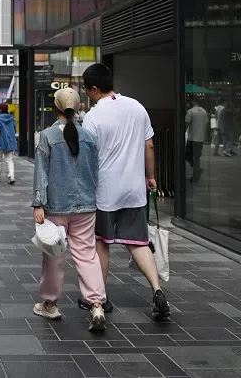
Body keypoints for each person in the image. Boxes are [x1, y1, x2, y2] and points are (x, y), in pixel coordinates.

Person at [81, 63, 171, 320]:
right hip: (134, 190)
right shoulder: (137, 107)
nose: (87, 95)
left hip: (105, 192)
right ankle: (157, 291)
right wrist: (150, 177)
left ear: (94, 88)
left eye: (87, 90)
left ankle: (100, 298)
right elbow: (150, 145)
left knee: (101, 242)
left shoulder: (93, 117)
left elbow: (88, 158)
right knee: (138, 243)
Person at [32, 88, 106, 332]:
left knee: (54, 256)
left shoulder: (47, 136)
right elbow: (95, 172)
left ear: (57, 108)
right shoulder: (89, 137)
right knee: (87, 255)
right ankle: (96, 304)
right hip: (86, 205)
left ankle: (50, 304)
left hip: (56, 205)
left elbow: (41, 172)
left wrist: (38, 203)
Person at [185, 98, 208, 182]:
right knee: (197, 157)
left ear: (193, 101)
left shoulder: (190, 111)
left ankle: (196, 170)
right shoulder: (204, 111)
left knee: (187, 155)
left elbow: (186, 124)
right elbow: (205, 123)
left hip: (192, 138)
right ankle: (196, 172)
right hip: (200, 138)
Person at [0, 102, 17, 184]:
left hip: (0, 142)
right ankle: (11, 177)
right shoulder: (12, 118)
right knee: (9, 160)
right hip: (10, 142)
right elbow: (14, 129)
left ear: (0, 110)